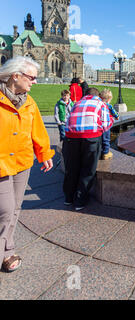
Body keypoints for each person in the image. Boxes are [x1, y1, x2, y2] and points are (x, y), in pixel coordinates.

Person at [0, 56, 55, 273]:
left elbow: (38, 130)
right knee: (5, 210)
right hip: (2, 163)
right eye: (31, 77)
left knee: (14, 209)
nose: (34, 82)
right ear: (15, 76)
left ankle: (7, 251)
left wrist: (44, 154)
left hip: (22, 161)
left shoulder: (29, 102)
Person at [63, 87, 114, 211]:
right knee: (88, 169)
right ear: (98, 96)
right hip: (90, 138)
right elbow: (106, 125)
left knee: (72, 168)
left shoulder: (77, 103)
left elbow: (68, 120)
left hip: (70, 138)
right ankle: (80, 201)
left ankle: (68, 198)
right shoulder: (101, 104)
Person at [99, 89, 120, 160]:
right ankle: (105, 153)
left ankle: (100, 151)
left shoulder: (98, 104)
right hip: (106, 125)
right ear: (109, 99)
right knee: (106, 139)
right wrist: (117, 116)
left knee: (100, 139)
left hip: (99, 126)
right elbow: (114, 113)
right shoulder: (109, 105)